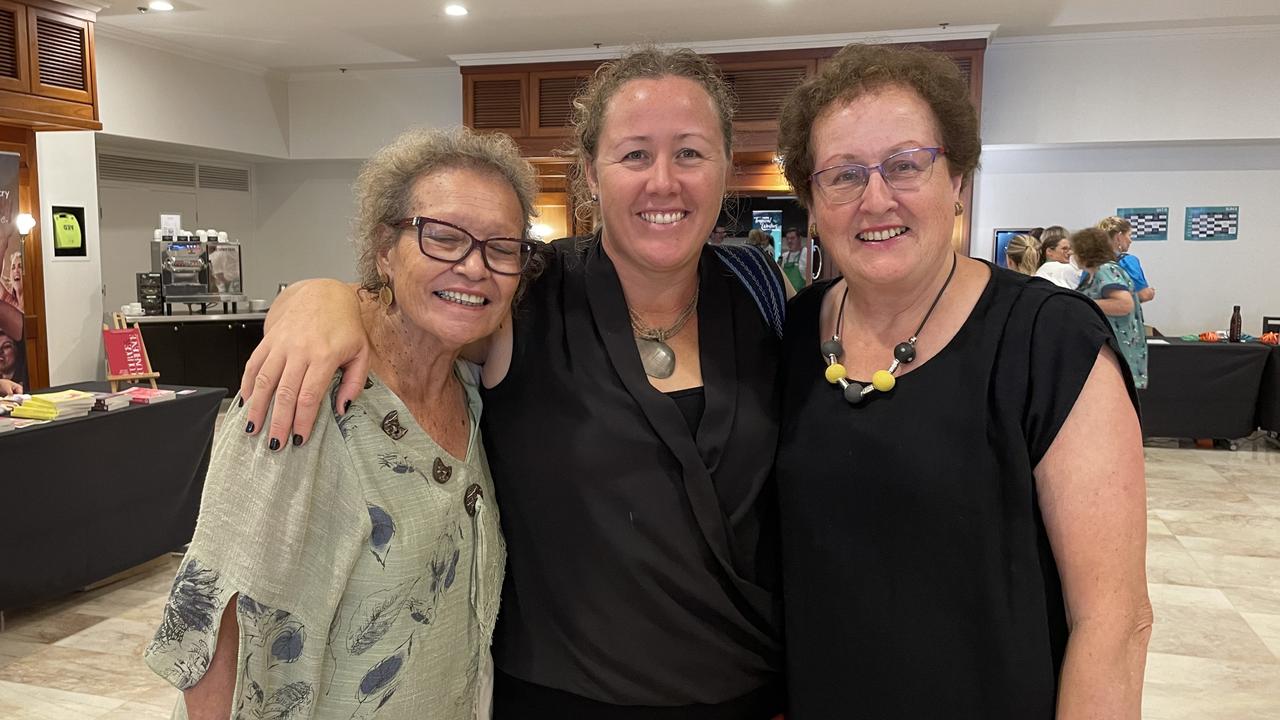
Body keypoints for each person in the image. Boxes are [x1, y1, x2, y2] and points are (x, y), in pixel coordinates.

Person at [239, 47, 786, 718]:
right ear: (591, 174)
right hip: (561, 696)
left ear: (726, 168)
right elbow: (408, 306)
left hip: (746, 690)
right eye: (635, 155)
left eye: (692, 153)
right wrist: (315, 298)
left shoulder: (758, 290)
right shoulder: (522, 294)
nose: (663, 181)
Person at [773, 42, 1150, 718]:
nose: (876, 197)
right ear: (811, 198)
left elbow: (1115, 625)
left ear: (958, 180)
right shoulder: (794, 333)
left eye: (906, 164)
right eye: (843, 175)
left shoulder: (1049, 341)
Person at [144, 126, 539, 719]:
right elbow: (214, 610)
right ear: (385, 249)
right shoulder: (306, 391)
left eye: (501, 247)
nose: (474, 267)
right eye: (443, 237)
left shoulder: (472, 392)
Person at [1072, 226, 1148, 389]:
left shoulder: (1106, 270)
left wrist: (1081, 304)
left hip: (1116, 350)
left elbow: (1123, 304)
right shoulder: (1093, 274)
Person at [1099, 215, 1155, 303]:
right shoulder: (1128, 262)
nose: (1130, 240)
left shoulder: (1090, 262)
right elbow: (1144, 295)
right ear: (1119, 237)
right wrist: (1150, 292)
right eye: (1129, 235)